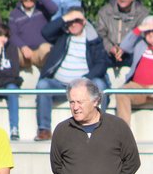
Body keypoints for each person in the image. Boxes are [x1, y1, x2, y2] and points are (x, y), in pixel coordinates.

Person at [34, 7, 110, 141]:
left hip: (84, 85)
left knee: (100, 85)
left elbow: (102, 63)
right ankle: (44, 130)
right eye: (70, 21)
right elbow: (45, 32)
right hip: (60, 84)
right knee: (43, 85)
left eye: (77, 20)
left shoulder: (93, 40)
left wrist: (85, 79)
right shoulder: (62, 36)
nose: (73, 24)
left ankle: (99, 127)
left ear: (84, 22)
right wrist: (65, 18)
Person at [95, 0, 149, 70]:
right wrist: (111, 48)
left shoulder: (142, 13)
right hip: (108, 53)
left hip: (132, 55)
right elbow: (100, 34)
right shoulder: (105, 11)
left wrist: (124, 48)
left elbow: (141, 36)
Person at [8, 0, 56, 70]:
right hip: (24, 53)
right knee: (13, 52)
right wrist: (23, 47)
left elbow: (54, 9)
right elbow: (12, 34)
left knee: (47, 49)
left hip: (40, 52)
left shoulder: (42, 9)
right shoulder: (14, 14)